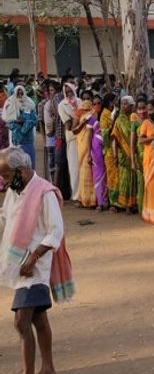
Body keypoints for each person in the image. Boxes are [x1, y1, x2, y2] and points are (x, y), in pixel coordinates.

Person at [0, 147, 75, 374]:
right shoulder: (16, 189)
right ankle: (48, 367)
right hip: (20, 267)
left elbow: (56, 231)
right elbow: (5, 218)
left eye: (6, 176)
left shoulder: (44, 193)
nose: (4, 181)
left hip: (35, 269)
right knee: (38, 318)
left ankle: (28, 371)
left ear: (20, 171)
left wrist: (33, 258)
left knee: (21, 321)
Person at [112, 97, 138, 214]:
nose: (124, 106)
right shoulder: (119, 120)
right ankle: (126, 205)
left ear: (132, 106)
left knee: (135, 179)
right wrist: (115, 155)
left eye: (126, 104)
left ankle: (134, 203)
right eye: (122, 104)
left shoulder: (135, 118)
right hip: (124, 154)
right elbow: (114, 139)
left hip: (136, 153)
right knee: (125, 180)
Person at [139, 100, 154, 224]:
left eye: (151, 109)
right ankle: (150, 214)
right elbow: (141, 140)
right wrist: (153, 138)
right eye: (148, 110)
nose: (149, 112)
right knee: (151, 185)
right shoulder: (145, 123)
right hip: (149, 158)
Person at [57, 83, 81, 203]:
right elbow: (68, 126)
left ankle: (86, 195)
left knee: (85, 166)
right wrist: (78, 118)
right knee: (74, 167)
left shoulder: (80, 102)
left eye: (70, 90)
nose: (69, 93)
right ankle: (76, 195)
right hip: (72, 138)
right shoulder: (62, 105)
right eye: (66, 91)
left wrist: (75, 119)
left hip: (84, 137)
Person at [4, 86, 38, 167]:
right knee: (16, 164)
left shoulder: (29, 102)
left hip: (28, 139)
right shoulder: (10, 102)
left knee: (29, 163)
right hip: (15, 139)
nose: (19, 95)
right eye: (18, 93)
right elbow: (7, 119)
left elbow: (33, 119)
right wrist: (16, 122)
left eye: (21, 93)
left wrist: (23, 126)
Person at [87, 97, 108, 211]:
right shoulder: (91, 118)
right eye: (94, 104)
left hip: (107, 146)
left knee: (107, 173)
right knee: (98, 174)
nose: (97, 105)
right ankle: (100, 202)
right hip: (95, 148)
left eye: (99, 103)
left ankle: (107, 200)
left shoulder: (106, 115)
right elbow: (89, 136)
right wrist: (88, 153)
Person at [99, 94, 118, 210]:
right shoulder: (105, 115)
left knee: (117, 176)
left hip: (117, 149)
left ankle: (118, 200)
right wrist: (114, 120)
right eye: (113, 102)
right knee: (111, 176)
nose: (114, 104)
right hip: (110, 150)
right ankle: (113, 202)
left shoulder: (112, 113)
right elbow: (105, 134)